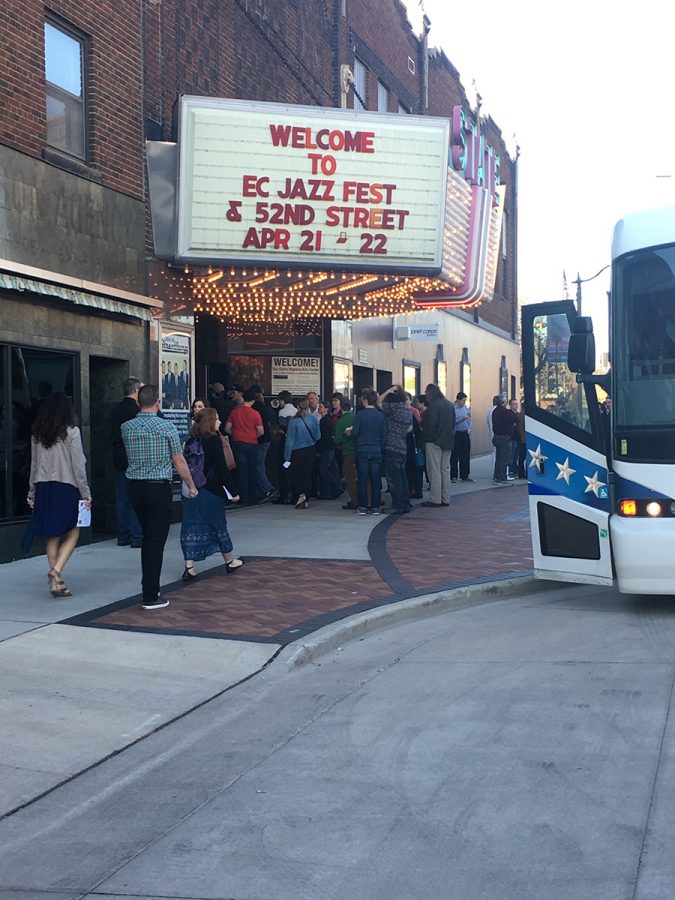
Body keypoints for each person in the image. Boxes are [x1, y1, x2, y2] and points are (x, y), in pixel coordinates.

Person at [122, 384, 198, 610]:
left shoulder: (127, 427)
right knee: (155, 541)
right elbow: (178, 460)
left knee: (148, 536)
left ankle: (150, 588)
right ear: (157, 402)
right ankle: (150, 594)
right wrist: (191, 485)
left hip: (135, 486)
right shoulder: (166, 427)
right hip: (158, 486)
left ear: (138, 402)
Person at [27, 392, 92, 598]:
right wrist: (86, 493)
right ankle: (56, 572)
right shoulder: (72, 432)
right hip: (66, 486)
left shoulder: (36, 435)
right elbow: (78, 464)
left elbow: (34, 465)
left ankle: (56, 583)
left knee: (52, 534)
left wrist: (31, 492)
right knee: (73, 531)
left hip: (44, 486)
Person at [180, 407, 243, 579]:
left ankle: (189, 566)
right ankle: (229, 561)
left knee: (191, 526)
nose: (220, 422)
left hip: (192, 489)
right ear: (210, 421)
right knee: (217, 525)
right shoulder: (214, 441)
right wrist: (233, 491)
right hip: (211, 489)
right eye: (217, 419)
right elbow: (222, 468)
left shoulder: (191, 440)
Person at [110, 377, 144, 548]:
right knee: (134, 498)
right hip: (134, 456)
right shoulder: (137, 411)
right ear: (136, 390)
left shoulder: (116, 409)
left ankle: (123, 535)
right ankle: (136, 535)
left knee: (122, 497)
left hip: (118, 456)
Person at [224, 387, 263, 505]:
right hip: (252, 443)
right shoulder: (256, 413)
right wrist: (252, 435)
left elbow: (227, 428)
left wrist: (235, 434)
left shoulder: (235, 411)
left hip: (237, 443)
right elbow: (261, 431)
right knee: (252, 470)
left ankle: (243, 497)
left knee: (241, 471)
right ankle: (252, 496)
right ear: (253, 401)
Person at [351, 388, 387, 516]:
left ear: (365, 400)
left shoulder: (360, 415)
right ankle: (376, 506)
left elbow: (355, 432)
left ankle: (362, 507)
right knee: (376, 479)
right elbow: (384, 436)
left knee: (362, 480)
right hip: (376, 449)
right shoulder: (381, 415)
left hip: (362, 449)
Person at [421, 383, 455, 508]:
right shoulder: (449, 404)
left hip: (434, 441)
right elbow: (452, 423)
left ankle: (435, 499)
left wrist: (427, 438)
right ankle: (446, 498)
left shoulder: (433, 405)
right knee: (445, 470)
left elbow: (430, 425)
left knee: (434, 470)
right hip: (448, 441)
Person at [380, 385, 413, 514]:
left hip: (391, 446)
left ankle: (397, 504)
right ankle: (405, 503)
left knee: (394, 478)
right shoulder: (407, 410)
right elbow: (409, 429)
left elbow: (378, 403)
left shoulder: (393, 407)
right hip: (402, 446)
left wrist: (387, 391)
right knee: (402, 477)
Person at [284, 399, 320, 509]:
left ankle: (301, 497)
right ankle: (306, 499)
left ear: (298, 408)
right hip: (310, 450)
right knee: (307, 476)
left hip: (297, 451)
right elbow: (318, 436)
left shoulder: (293, 421)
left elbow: (290, 440)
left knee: (298, 476)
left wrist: (287, 457)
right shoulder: (313, 419)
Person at [272, 390, 298, 504]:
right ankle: (294, 496)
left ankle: (283, 495)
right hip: (296, 444)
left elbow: (283, 429)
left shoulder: (282, 412)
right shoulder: (297, 411)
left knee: (283, 468)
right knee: (293, 469)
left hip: (285, 443)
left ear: (282, 400)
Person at [251, 386, 275, 502]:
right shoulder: (265, 407)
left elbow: (260, 429)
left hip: (260, 440)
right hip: (266, 439)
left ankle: (267, 488)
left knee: (257, 466)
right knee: (260, 465)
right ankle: (264, 488)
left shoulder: (256, 408)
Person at [316, 400, 343, 499]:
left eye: (321, 407)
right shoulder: (327, 419)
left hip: (327, 449)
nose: (319, 409)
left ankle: (336, 487)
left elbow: (325, 437)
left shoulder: (325, 421)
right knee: (330, 470)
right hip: (329, 448)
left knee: (324, 470)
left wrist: (319, 450)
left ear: (326, 409)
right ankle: (327, 492)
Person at [334, 398, 358, 509]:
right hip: (359, 451)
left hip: (347, 452)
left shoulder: (341, 421)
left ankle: (354, 500)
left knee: (350, 478)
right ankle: (367, 498)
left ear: (341, 407)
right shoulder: (356, 418)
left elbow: (337, 439)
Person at [450, 391, 474, 483]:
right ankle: (454, 476)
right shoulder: (452, 408)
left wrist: (469, 428)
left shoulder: (465, 407)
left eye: (465, 401)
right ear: (458, 400)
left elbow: (469, 417)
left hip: (465, 433)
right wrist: (460, 419)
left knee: (465, 454)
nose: (464, 402)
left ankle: (465, 475)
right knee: (454, 455)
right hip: (456, 433)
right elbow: (451, 421)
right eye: (463, 400)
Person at [491, 394, 514, 486]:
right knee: (504, 459)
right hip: (504, 437)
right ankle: (502, 478)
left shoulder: (495, 411)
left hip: (496, 436)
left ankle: (497, 477)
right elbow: (515, 418)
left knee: (499, 458)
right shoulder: (505, 411)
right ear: (504, 402)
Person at [405, 392, 424, 500]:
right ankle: (414, 489)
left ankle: (415, 490)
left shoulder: (413, 412)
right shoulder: (410, 413)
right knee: (414, 469)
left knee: (413, 469)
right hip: (413, 444)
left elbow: (417, 429)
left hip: (412, 445)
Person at [507, 398, 521, 479]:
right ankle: (510, 470)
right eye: (514, 404)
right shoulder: (509, 413)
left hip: (517, 437)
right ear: (510, 405)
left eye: (517, 404)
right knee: (511, 455)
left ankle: (515, 469)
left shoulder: (517, 413)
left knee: (516, 455)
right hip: (512, 437)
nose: (516, 406)